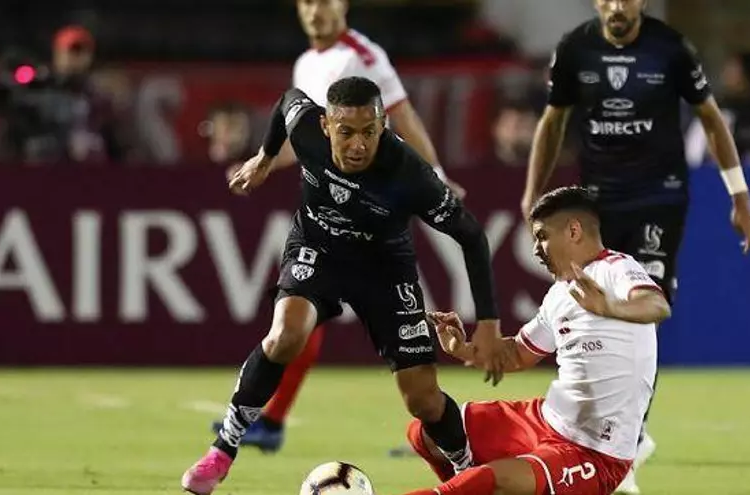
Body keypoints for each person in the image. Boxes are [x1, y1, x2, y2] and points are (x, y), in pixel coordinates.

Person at [181, 77, 506, 495]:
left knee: (422, 399)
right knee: (285, 335)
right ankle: (222, 450)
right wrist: (264, 157)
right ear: (325, 126)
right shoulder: (304, 128)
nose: (357, 145)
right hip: (318, 248)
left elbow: (472, 236)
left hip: (385, 268)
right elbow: (286, 101)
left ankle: (470, 470)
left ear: (383, 124)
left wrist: (489, 323)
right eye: (346, 132)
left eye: (369, 132)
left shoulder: (410, 173)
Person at [519, 2, 750, 492]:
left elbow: (712, 119)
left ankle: (623, 447)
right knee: (589, 307)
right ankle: (604, 439)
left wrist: (739, 194)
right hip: (596, 204)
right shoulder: (575, 49)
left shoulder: (669, 48)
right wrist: (531, 194)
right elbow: (553, 121)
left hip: (659, 197)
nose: (616, 6)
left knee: (640, 304)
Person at [210, 0, 465, 453]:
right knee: (301, 315)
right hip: (330, 200)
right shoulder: (308, 62)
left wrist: (437, 176)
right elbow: (311, 137)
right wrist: (265, 161)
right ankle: (273, 418)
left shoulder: (362, 57)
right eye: (307, 1)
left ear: (343, 5)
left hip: (382, 199)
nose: (315, 11)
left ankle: (436, 425)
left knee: (403, 310)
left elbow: (400, 116)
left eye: (325, 1)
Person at [403, 186, 671, 495]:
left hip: (593, 452)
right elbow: (517, 354)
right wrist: (465, 349)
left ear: (574, 231)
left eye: (542, 236)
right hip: (545, 421)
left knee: (493, 480)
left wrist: (610, 307)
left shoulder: (616, 269)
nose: (536, 250)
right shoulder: (558, 294)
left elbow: (657, 306)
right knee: (426, 434)